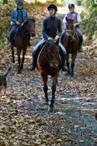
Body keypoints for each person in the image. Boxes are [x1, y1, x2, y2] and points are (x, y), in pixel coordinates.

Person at [28, 4, 67, 71]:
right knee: (34, 50)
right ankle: (33, 65)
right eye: (49, 10)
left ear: (55, 11)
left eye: (52, 10)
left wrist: (58, 35)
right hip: (46, 40)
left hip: (55, 40)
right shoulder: (45, 20)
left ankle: (63, 65)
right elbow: (43, 31)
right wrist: (48, 37)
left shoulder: (58, 21)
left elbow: (60, 31)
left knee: (64, 51)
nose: (51, 11)